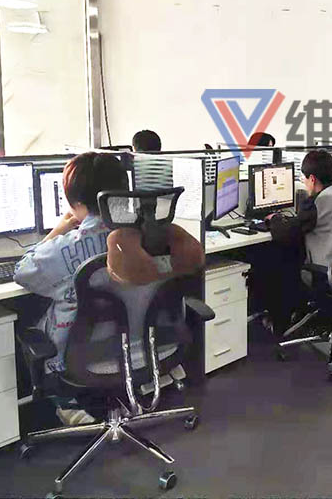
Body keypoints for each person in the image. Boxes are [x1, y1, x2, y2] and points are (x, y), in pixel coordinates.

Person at [15, 152, 204, 425]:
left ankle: (65, 403)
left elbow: (22, 272)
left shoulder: (65, 248)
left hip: (86, 361)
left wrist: (58, 231)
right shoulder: (155, 237)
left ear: (76, 203)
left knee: (31, 322)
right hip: (154, 351)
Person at [263, 150, 332, 332]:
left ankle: (279, 323)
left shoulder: (319, 202)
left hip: (321, 272)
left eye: (305, 178)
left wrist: (274, 219)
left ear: (313, 179)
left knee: (273, 260)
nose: (304, 182)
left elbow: (285, 233)